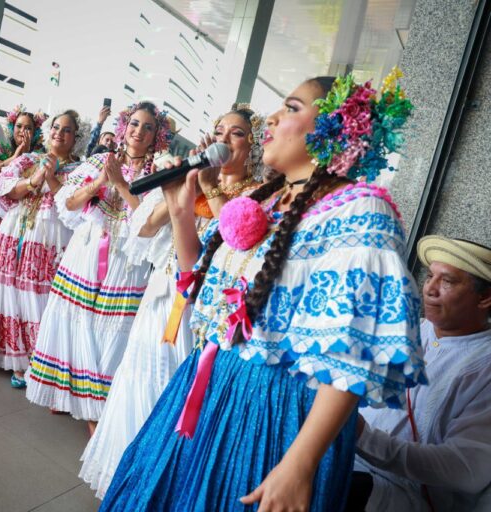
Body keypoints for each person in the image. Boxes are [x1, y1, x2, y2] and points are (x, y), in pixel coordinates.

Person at [101, 71, 425, 511]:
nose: (271, 118)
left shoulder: (360, 211)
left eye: (291, 108)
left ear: (337, 127)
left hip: (274, 410)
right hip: (211, 381)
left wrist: (300, 462)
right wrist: (180, 212)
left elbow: (353, 351)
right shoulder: (265, 202)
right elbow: (200, 286)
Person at [80, 106, 265, 498]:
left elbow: (237, 240)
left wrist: (212, 188)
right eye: (219, 130)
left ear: (253, 146)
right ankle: (122, 477)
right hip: (160, 296)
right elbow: (144, 227)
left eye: (237, 133)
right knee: (137, 378)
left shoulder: (256, 195)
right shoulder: (194, 179)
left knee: (173, 393)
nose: (225, 139)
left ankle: (156, 484)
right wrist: (185, 186)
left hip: (203, 310)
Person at [25, 101, 174, 435]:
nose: (138, 132)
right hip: (87, 251)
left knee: (110, 335)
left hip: (126, 262)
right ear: (124, 127)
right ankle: (74, 395)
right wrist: (99, 183)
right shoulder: (97, 160)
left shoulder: (157, 174)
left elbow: (149, 224)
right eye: (134, 124)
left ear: (156, 136)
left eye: (147, 127)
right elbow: (68, 202)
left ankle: (98, 409)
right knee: (78, 327)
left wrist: (121, 183)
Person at [0, 109, 91, 387]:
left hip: (52, 239)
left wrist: (50, 179)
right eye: (55, 127)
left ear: (77, 138)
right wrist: (32, 180)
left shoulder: (80, 170)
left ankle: (29, 362)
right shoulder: (28, 159)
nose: (59, 133)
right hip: (16, 231)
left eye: (67, 130)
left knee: (38, 293)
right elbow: (4, 190)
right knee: (6, 288)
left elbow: (76, 205)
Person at [350, 235, 491, 512]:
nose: (430, 289)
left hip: (396, 493)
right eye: (429, 276)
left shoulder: (485, 368)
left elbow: (465, 469)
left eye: (447, 281)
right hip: (345, 456)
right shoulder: (407, 328)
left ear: (485, 298)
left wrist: (361, 436)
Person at [0, 105, 47, 257]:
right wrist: (14, 158)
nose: (23, 131)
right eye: (19, 126)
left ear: (35, 132)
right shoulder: (1, 148)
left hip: (17, 212)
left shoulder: (39, 155)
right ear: (12, 126)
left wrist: (27, 155)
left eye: (28, 128)